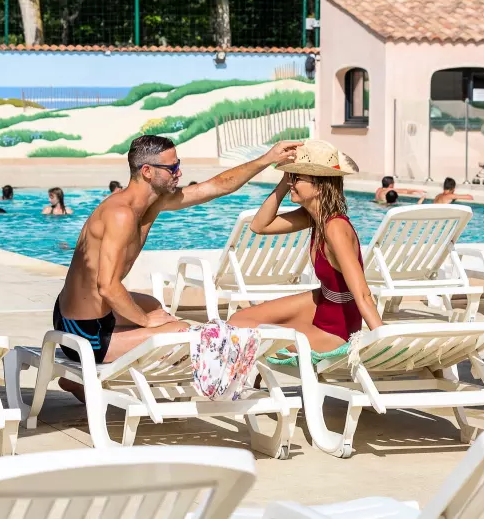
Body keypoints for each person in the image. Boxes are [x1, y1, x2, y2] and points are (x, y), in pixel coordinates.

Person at [53, 135, 300, 401]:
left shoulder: (153, 202)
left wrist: (268, 159)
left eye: (177, 164)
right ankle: (92, 371)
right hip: (83, 331)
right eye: (172, 168)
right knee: (181, 333)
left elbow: (216, 186)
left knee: (155, 307)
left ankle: (79, 381)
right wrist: (145, 322)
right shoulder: (120, 214)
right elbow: (108, 286)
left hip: (89, 311)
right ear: (147, 171)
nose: (179, 172)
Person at [227, 140, 383, 354]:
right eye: (291, 176)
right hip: (323, 304)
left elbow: (363, 294)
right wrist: (285, 181)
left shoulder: (335, 228)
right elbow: (259, 226)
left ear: (319, 186)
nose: (291, 182)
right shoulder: (314, 217)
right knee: (238, 320)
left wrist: (383, 342)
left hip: (337, 330)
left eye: (297, 177)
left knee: (241, 330)